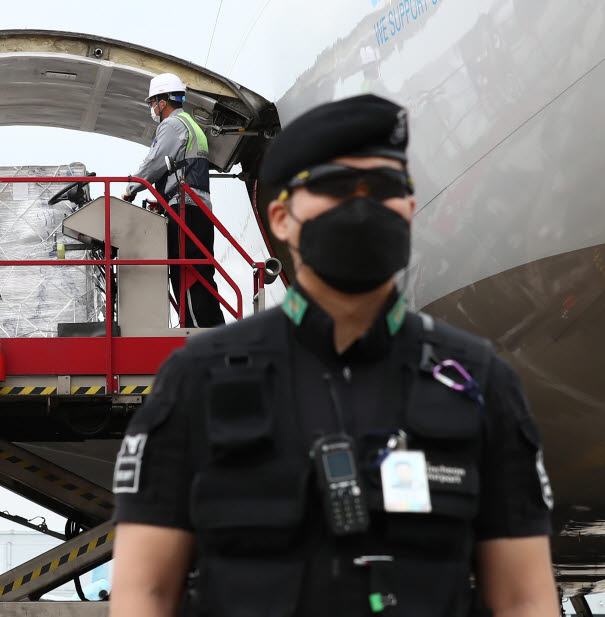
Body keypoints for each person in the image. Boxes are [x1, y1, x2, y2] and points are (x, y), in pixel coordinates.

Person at [110, 94, 558, 617]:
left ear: (409, 210)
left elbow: (524, 598)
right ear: (279, 217)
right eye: (336, 187)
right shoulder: (194, 383)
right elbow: (146, 593)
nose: (362, 206)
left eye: (385, 188)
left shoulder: (480, 383)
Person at [121, 73, 224, 328]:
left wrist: (131, 188)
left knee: (186, 275)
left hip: (184, 209)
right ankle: (215, 330)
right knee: (201, 274)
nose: (152, 108)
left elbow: (155, 161)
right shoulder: (191, 124)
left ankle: (197, 331)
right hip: (197, 209)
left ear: (162, 101)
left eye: (152, 102)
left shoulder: (172, 125)